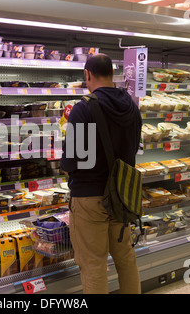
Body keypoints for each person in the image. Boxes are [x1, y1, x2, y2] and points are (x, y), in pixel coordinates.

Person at [60, 53, 142, 294]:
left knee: (94, 264)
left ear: (87, 74)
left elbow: (70, 163)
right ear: (112, 75)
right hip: (122, 196)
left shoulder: (83, 108)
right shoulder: (132, 107)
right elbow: (133, 149)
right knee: (126, 259)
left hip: (89, 198)